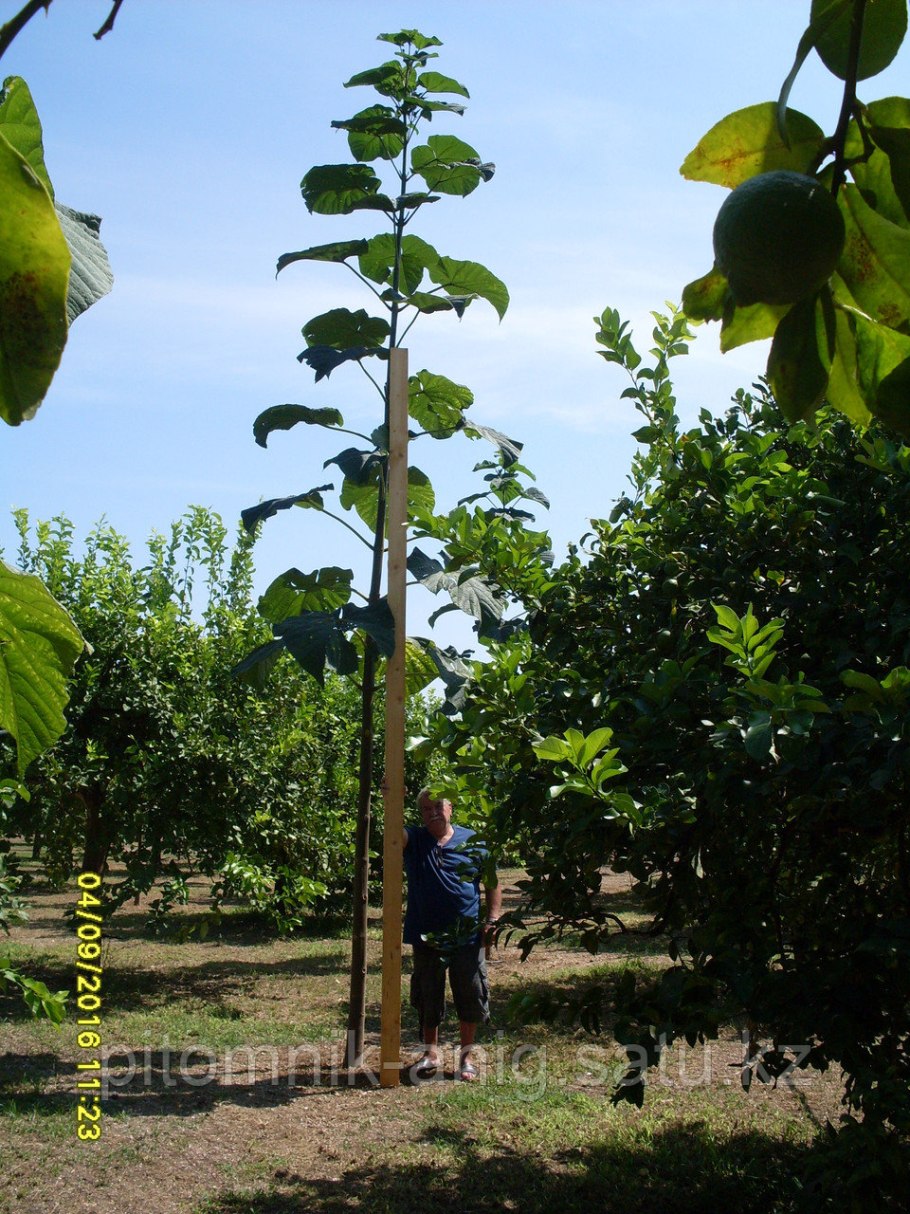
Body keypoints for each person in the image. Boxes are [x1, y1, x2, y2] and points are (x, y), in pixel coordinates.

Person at [402, 788, 501, 1082]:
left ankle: (466, 1058)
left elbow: (492, 882)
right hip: (426, 934)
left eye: (437, 806)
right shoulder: (415, 839)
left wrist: (493, 918)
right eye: (425, 809)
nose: (432, 813)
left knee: (470, 992)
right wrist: (389, 798)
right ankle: (430, 1053)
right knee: (427, 994)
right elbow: (394, 833)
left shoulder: (474, 841)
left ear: (450, 808)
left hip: (467, 935)